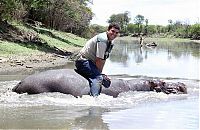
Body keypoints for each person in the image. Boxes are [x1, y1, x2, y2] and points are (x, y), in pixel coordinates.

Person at [75, 23, 120, 97]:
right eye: (112, 31)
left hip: (90, 62)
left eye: (116, 33)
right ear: (108, 30)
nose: (114, 34)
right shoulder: (103, 40)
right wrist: (99, 75)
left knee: (100, 76)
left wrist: (100, 72)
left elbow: (103, 60)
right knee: (98, 78)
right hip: (83, 61)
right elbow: (99, 60)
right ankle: (94, 99)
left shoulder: (110, 42)